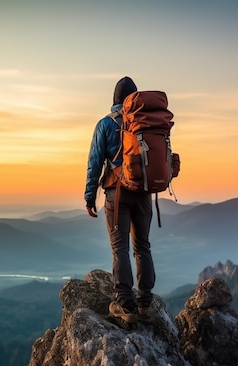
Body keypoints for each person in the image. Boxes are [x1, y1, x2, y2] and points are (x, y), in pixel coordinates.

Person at [84, 76, 156, 324]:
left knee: (120, 249)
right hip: (144, 192)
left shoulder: (105, 124)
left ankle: (125, 305)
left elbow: (94, 163)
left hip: (118, 193)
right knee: (142, 246)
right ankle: (145, 302)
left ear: (114, 99)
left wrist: (89, 196)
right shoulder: (145, 123)